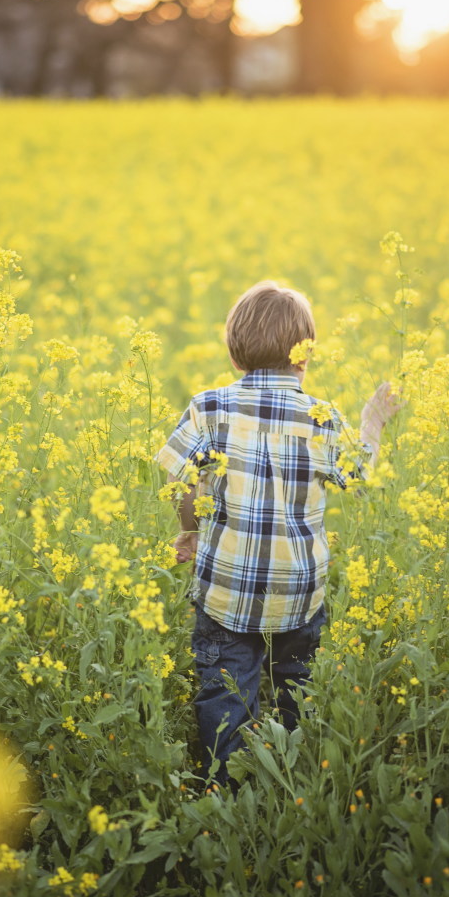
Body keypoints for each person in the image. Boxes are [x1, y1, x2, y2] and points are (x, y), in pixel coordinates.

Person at [155, 280, 403, 789]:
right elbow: (358, 478)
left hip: (225, 586)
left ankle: (224, 789)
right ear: (304, 357)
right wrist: (371, 422)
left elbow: (180, 480)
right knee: (299, 683)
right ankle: (300, 773)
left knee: (226, 690)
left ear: (235, 353)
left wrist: (190, 531)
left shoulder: (208, 407)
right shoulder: (322, 417)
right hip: (300, 588)